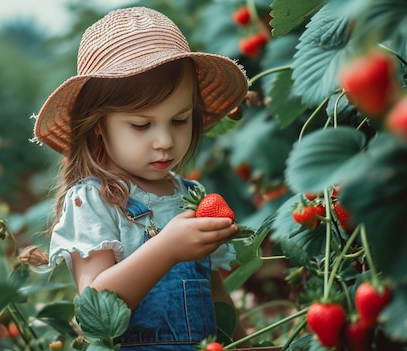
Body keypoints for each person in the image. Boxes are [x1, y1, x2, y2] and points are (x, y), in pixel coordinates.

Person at [32, 6, 250, 350]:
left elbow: (215, 292)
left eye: (179, 120)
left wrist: (242, 343)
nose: (164, 141)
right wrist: (166, 249)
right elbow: (94, 306)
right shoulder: (94, 201)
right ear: (99, 127)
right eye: (141, 125)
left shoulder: (193, 196)